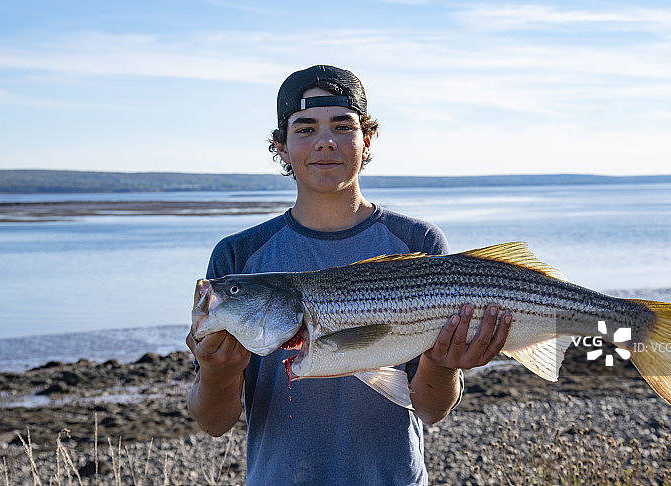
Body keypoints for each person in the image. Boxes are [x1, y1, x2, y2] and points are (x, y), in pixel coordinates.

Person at [186, 65, 513, 485]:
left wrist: (445, 365)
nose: (325, 141)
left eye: (342, 126)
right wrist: (217, 371)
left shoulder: (416, 241)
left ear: (367, 140)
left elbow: (430, 409)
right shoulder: (238, 255)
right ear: (281, 146)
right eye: (305, 129)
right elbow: (214, 423)